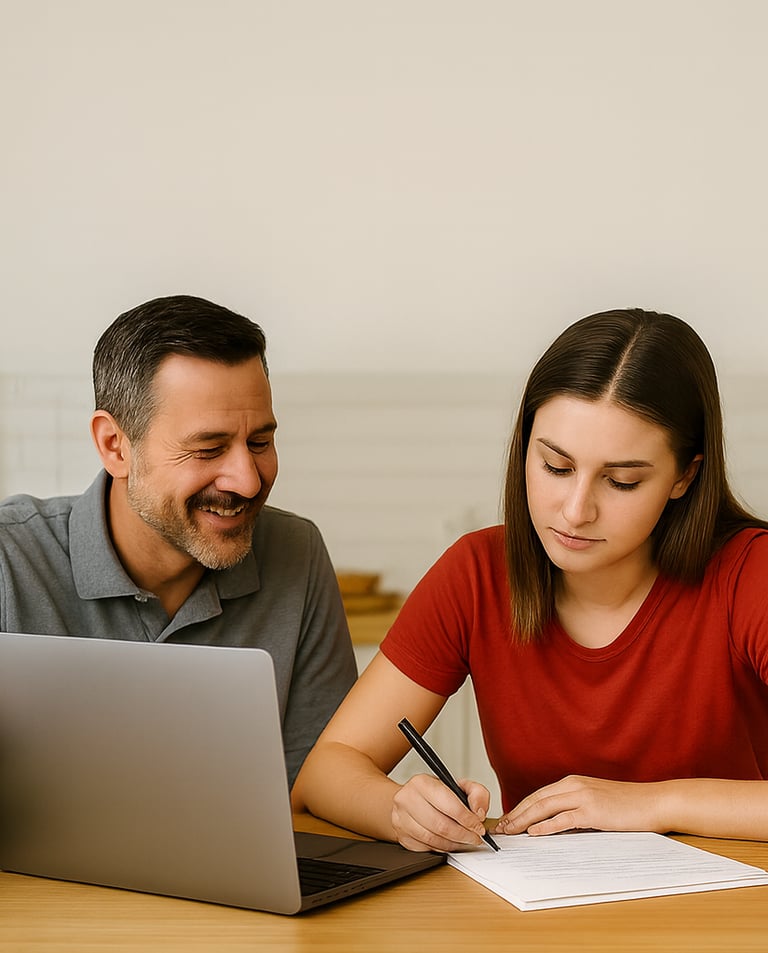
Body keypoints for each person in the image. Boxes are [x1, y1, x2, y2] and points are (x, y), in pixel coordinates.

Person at [293, 308, 768, 849]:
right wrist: (399, 811)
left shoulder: (751, 575)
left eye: (622, 481)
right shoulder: (476, 573)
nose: (574, 510)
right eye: (555, 467)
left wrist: (652, 802)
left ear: (685, 476)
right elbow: (326, 772)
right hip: (541, 922)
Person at [0, 294, 357, 787]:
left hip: (242, 866)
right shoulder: (8, 560)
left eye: (260, 443)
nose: (247, 481)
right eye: (208, 449)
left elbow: (314, 795)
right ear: (114, 446)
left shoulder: (297, 553)